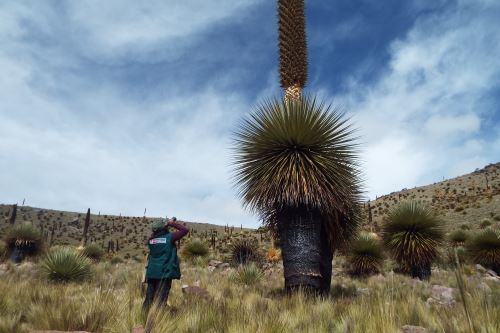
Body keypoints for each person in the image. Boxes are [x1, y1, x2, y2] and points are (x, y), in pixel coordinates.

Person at [142, 217, 189, 312]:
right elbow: (185, 230)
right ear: (164, 228)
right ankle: (158, 321)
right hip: (164, 272)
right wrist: (171, 223)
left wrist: (163, 226)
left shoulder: (151, 240)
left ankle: (143, 316)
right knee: (161, 299)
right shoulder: (169, 238)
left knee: (149, 298)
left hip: (152, 273)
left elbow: (156, 235)